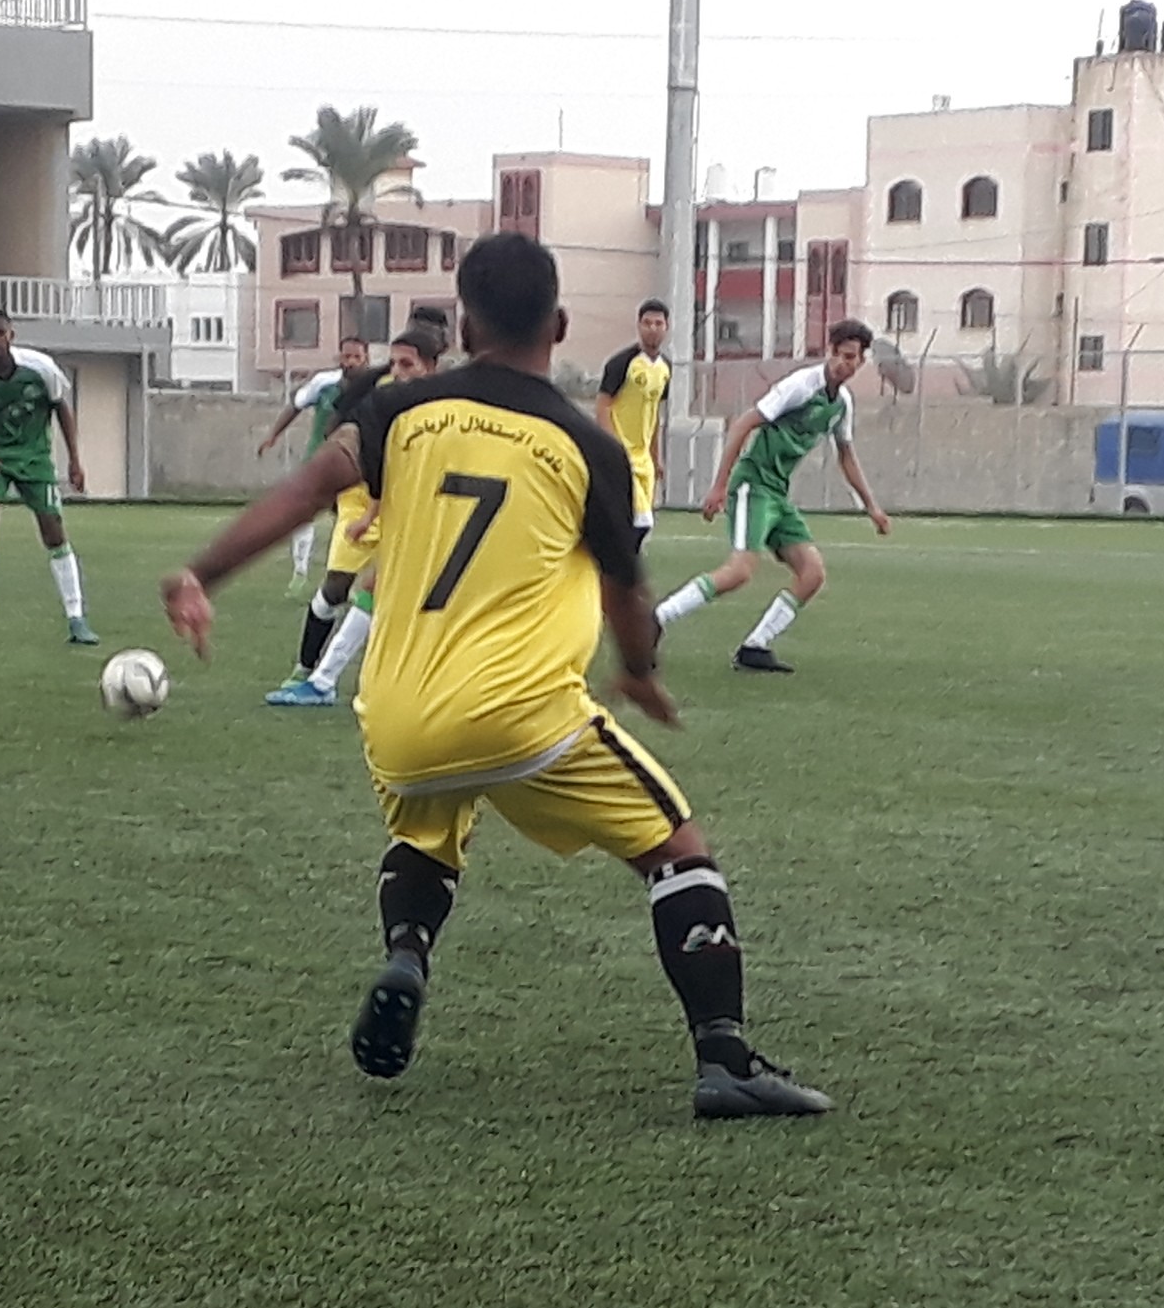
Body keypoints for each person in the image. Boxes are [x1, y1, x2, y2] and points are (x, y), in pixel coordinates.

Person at [163, 229, 832, 1120]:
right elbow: (628, 595)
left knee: (428, 831)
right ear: (559, 325)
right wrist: (639, 671)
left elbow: (305, 490)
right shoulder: (585, 446)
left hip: (396, 716)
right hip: (524, 716)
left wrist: (199, 575)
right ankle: (725, 1059)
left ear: (465, 324)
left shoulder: (399, 412)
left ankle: (407, 954)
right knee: (677, 849)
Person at [658, 319, 893, 672]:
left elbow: (846, 455)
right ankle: (655, 619)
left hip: (777, 494)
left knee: (812, 573)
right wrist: (720, 485)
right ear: (830, 352)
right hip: (752, 485)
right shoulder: (801, 385)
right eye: (842, 355)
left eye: (854, 358)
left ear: (861, 361)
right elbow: (744, 423)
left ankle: (755, 646)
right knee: (739, 571)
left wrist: (871, 507)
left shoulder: (842, 403)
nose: (847, 364)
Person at [269, 311, 446, 709]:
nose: (399, 371)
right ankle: (309, 670)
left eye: (408, 363)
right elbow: (345, 429)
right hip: (365, 498)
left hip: (405, 505)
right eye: (397, 362)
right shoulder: (380, 388)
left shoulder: (445, 401)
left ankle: (329, 681)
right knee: (338, 587)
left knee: (384, 589)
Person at [0, 308, 94, 645]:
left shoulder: (41, 368)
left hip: (35, 460)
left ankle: (76, 618)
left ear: (11, 335)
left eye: (0, 333)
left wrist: (74, 460)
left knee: (54, 535)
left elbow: (61, 408)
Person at [257, 333, 366, 590]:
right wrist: (273, 434)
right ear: (339, 357)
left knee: (347, 519)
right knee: (304, 514)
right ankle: (300, 572)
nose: (351, 362)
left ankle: (341, 577)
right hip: (318, 459)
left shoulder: (374, 387)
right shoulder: (324, 382)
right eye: (346, 356)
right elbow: (296, 404)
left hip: (353, 465)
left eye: (356, 357)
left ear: (366, 358)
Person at [595, 296, 674, 538]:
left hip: (643, 458)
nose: (653, 329)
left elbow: (655, 414)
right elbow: (603, 406)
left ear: (666, 327)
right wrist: (611, 447)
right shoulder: (622, 363)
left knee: (641, 522)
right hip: (623, 453)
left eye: (658, 324)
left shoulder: (665, 368)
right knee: (640, 519)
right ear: (639, 326)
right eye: (647, 323)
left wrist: (656, 456)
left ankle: (621, 559)